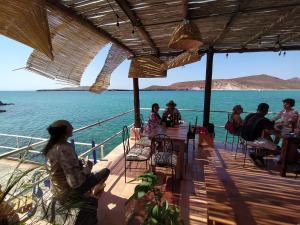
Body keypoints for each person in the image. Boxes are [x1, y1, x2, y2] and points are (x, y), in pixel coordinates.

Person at [43, 120, 110, 225]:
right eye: (70, 126)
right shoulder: (65, 149)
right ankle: (94, 190)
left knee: (91, 175)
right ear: (64, 131)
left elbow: (63, 170)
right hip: (69, 191)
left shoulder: (51, 147)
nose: (73, 128)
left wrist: (79, 165)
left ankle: (91, 191)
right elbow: (75, 183)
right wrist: (88, 168)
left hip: (57, 189)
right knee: (105, 171)